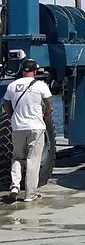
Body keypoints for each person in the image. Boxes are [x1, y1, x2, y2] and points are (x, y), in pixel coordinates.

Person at [3, 58, 53, 203]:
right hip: (36, 127)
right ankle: (30, 195)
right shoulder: (41, 85)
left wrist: (14, 117)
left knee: (17, 157)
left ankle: (14, 187)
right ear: (35, 71)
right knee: (33, 160)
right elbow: (49, 105)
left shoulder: (12, 85)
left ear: (21, 69)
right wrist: (45, 116)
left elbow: (6, 105)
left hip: (18, 127)